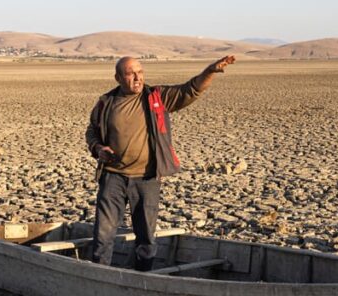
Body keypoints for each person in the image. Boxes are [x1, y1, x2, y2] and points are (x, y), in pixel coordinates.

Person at [85, 55, 235, 270]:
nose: (137, 78)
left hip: (147, 178)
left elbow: (189, 90)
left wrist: (210, 71)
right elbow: (92, 131)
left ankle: (143, 277)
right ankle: (100, 277)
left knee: (146, 236)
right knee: (103, 234)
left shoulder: (156, 97)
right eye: (130, 74)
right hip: (113, 177)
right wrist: (98, 148)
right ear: (118, 78)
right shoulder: (106, 102)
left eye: (140, 72)